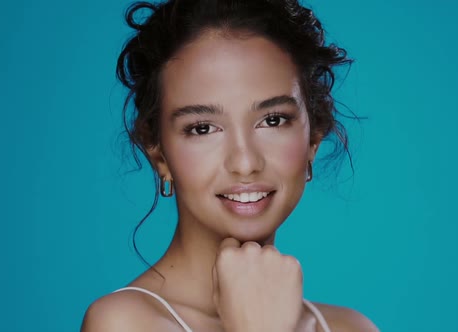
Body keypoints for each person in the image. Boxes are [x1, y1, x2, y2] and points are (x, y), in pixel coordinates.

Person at [82, 0, 379, 331]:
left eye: (273, 120)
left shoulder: (350, 327)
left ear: (314, 138)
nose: (245, 162)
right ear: (158, 153)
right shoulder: (125, 323)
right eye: (202, 128)